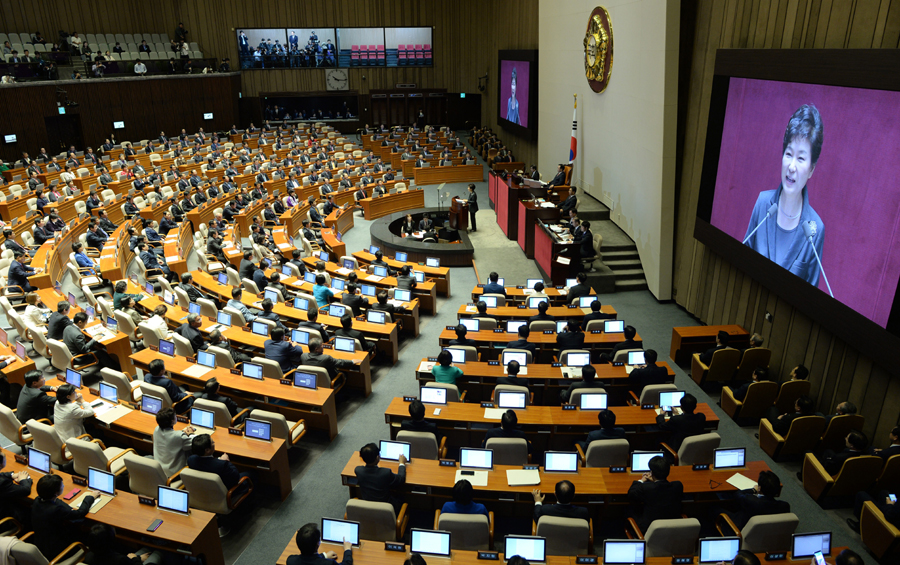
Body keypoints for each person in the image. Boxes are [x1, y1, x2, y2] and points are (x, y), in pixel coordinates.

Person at [743, 105, 825, 286]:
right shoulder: (763, 204)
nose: (792, 166)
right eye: (789, 154)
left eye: (801, 158)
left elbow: (808, 294)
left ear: (811, 169)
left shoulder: (815, 229)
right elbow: (743, 262)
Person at [31, 474, 98, 559]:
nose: (64, 486)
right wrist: (90, 497)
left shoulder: (37, 500)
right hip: (57, 551)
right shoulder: (56, 510)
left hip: (41, 544)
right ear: (56, 493)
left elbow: (57, 501)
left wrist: (68, 509)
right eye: (62, 485)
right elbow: (80, 513)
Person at [627, 455, 683, 532]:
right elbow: (662, 487)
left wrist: (641, 480)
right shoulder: (678, 485)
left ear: (652, 473)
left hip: (650, 529)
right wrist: (655, 481)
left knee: (628, 509)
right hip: (673, 526)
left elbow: (631, 494)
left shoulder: (646, 487)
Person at [726, 470, 790, 529]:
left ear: (759, 488)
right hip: (767, 533)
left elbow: (737, 494)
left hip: (741, 528)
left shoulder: (751, 501)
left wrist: (753, 490)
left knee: (716, 509)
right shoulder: (785, 506)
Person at [354, 442, 406, 512]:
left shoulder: (358, 470)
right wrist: (402, 463)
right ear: (377, 457)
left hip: (367, 506)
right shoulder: (385, 473)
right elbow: (401, 479)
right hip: (386, 508)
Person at [83, 523, 163, 565]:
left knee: (145, 549)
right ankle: (160, 551)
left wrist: (137, 557)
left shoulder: (88, 556)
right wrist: (135, 559)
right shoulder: (120, 560)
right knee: (157, 553)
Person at [153, 407, 194, 477]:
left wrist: (182, 433)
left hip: (159, 470)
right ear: (172, 421)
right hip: (174, 474)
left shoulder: (156, 430)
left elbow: (171, 437)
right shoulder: (179, 436)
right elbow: (194, 443)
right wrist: (190, 434)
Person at [286, 522, 353, 565]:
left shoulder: (291, 561)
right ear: (318, 544)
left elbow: (310, 560)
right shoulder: (329, 563)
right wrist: (347, 550)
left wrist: (325, 556)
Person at [0, 451, 32, 522]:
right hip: (5, 518)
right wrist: (23, 479)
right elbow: (25, 490)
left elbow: (1, 475)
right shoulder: (3, 483)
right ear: (1, 464)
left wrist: (11, 475)